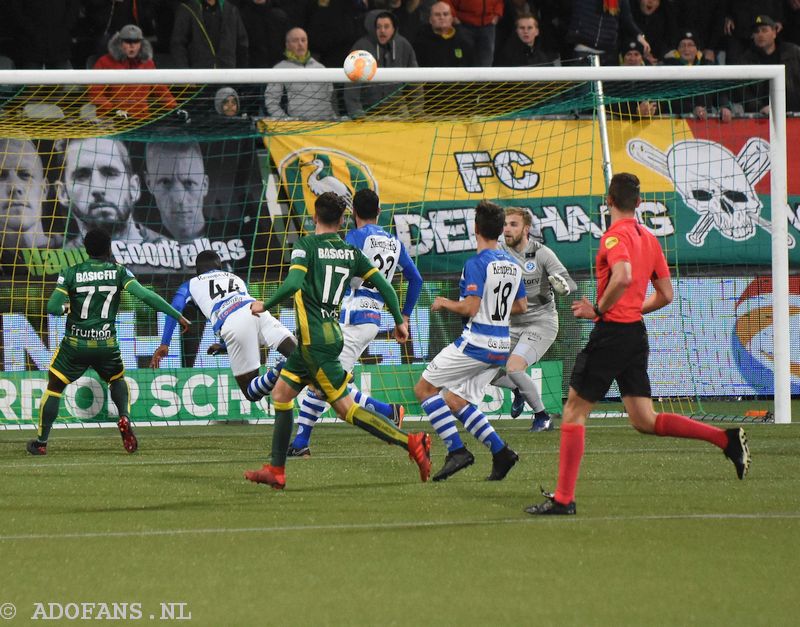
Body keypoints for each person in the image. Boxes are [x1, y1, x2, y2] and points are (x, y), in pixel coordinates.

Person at [525, 173, 751, 516]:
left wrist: (599, 308)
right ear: (640, 203)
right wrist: (630, 307)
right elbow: (667, 295)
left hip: (613, 332)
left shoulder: (614, 237)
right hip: (634, 333)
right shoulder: (651, 239)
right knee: (644, 419)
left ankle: (564, 499)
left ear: (608, 201)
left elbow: (624, 276)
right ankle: (725, 438)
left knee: (573, 411)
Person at [243, 192, 431, 490]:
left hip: (317, 341)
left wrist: (263, 305)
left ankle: (411, 442)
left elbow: (292, 284)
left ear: (315, 216)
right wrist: (399, 321)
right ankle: (276, 469)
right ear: (342, 219)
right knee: (281, 394)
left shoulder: (306, 245)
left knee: (345, 410)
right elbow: (388, 289)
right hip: (321, 337)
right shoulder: (349, 251)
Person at [26, 228, 190, 456]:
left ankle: (41, 442)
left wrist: (66, 309)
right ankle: (124, 417)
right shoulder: (119, 272)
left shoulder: (70, 273)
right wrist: (176, 315)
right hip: (106, 344)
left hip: (75, 345)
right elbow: (145, 296)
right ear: (109, 248)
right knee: (116, 379)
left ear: (85, 248)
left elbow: (52, 308)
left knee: (55, 387)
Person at [286, 188, 424, 457]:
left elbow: (339, 270)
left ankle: (300, 443)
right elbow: (416, 279)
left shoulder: (354, 237)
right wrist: (404, 315)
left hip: (351, 315)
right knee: (334, 381)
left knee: (320, 382)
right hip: (372, 317)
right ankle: (389, 412)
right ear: (379, 212)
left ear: (352, 213)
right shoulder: (395, 243)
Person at [414, 200, 527, 482]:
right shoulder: (513, 265)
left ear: (474, 229)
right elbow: (522, 306)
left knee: (425, 389)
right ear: (501, 230)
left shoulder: (476, 264)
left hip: (477, 343)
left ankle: (457, 450)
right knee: (454, 399)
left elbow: (470, 308)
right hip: (501, 346)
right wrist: (491, 309)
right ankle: (502, 453)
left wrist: (445, 303)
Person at [150, 250, 297, 400]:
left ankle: (278, 369)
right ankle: (291, 368)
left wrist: (164, 343)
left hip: (232, 320)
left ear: (197, 271)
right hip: (258, 312)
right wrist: (224, 346)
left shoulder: (191, 284)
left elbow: (174, 308)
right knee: (299, 356)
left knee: (251, 392)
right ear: (220, 267)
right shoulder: (235, 278)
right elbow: (244, 316)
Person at [491, 207, 576, 432]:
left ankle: (543, 417)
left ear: (526, 229)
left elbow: (569, 284)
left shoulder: (542, 253)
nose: (507, 229)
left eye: (513, 225)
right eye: (505, 225)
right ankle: (518, 389)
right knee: (481, 368)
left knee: (514, 368)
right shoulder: (498, 251)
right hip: (510, 324)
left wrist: (562, 288)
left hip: (541, 322)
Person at [58, 137, 162, 249]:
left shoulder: (174, 258)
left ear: (134, 187)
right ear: (64, 194)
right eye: (81, 176)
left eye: (110, 173)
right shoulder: (56, 265)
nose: (97, 187)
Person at [89, 24, 180, 121]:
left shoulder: (148, 64)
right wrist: (113, 111)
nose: (132, 46)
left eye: (136, 42)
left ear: (141, 44)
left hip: (141, 119)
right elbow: (95, 92)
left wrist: (174, 108)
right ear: (119, 43)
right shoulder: (104, 62)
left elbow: (161, 90)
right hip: (111, 119)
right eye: (128, 41)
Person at [0, 138, 62, 276]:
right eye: (1, 176)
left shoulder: (77, 251)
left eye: (25, 175)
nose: (14, 187)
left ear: (44, 189)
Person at [344, 10, 420, 118]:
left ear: (394, 28)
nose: (382, 31)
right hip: (367, 113)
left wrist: (416, 114)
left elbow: (415, 85)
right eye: (378, 27)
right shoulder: (360, 48)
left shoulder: (404, 46)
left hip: (397, 112)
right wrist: (358, 116)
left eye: (386, 26)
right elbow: (351, 88)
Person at [264, 28, 338, 120]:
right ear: (287, 45)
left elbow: (331, 98)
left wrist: (335, 119)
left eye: (303, 40)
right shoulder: (279, 69)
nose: (300, 44)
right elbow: (271, 101)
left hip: (326, 125)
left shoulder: (320, 68)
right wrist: (286, 122)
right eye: (295, 41)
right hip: (298, 128)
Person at [144, 142, 208, 243]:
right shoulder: (139, 241)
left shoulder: (233, 233)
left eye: (189, 183)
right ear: (149, 184)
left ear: (205, 185)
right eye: (165, 183)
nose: (179, 198)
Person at [737, 15, 800, 113]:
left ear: (774, 33)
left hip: (795, 113)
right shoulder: (746, 59)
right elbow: (743, 92)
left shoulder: (793, 52)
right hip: (762, 117)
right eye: (756, 32)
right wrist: (759, 107)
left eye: (764, 30)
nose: (760, 35)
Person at [565, 0, 650, 66]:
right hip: (583, 50)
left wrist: (640, 37)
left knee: (608, 87)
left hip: (607, 53)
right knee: (585, 87)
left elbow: (627, 19)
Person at [170, 0, 249, 69]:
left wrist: (239, 78)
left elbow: (242, 45)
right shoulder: (187, 9)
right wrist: (185, 75)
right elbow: (178, 45)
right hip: (198, 78)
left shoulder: (231, 10)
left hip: (227, 77)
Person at [444, 0, 504, 67]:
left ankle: (483, 77)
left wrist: (497, 15)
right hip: (462, 25)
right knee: (463, 62)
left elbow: (499, 2)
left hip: (488, 25)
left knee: (486, 63)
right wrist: (454, 18)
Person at [414, 1, 474, 67]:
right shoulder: (420, 41)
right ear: (430, 20)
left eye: (445, 14)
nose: (442, 17)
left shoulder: (464, 39)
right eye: (437, 15)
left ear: (451, 19)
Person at [494, 12, 559, 66]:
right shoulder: (506, 56)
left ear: (537, 32)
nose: (525, 31)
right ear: (516, 31)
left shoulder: (544, 58)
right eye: (522, 28)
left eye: (530, 28)